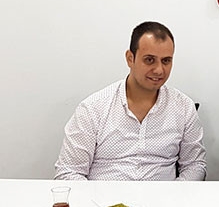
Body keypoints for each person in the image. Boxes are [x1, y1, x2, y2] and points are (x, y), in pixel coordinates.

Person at [54, 21, 207, 181]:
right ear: (130, 58)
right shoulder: (93, 108)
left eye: (166, 61)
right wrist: (97, 196)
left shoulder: (183, 107)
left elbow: (195, 165)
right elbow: (68, 172)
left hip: (163, 196)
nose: (159, 70)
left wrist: (175, 192)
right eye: (149, 60)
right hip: (103, 195)